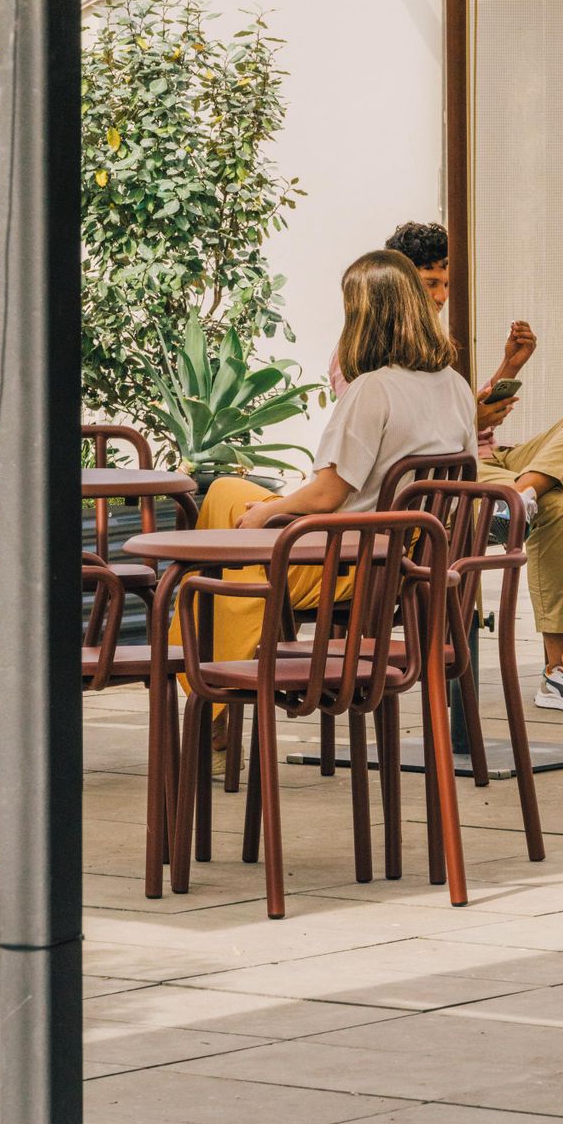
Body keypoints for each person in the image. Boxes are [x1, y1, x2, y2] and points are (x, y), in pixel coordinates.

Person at [187, 248, 477, 760]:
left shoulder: (372, 389)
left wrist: (266, 513)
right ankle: (207, 690)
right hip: (405, 561)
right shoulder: (455, 386)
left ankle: (209, 698)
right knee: (228, 494)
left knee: (230, 548)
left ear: (364, 315)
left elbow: (327, 493)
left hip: (348, 563)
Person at [332, 221, 563, 714]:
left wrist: (507, 372)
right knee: (561, 505)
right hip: (445, 476)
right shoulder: (360, 356)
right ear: (400, 286)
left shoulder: (434, 348)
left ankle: (521, 495)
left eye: (446, 284)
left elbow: (459, 418)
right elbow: (394, 440)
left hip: (490, 460)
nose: (441, 297)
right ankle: (558, 663)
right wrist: (471, 414)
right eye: (430, 285)